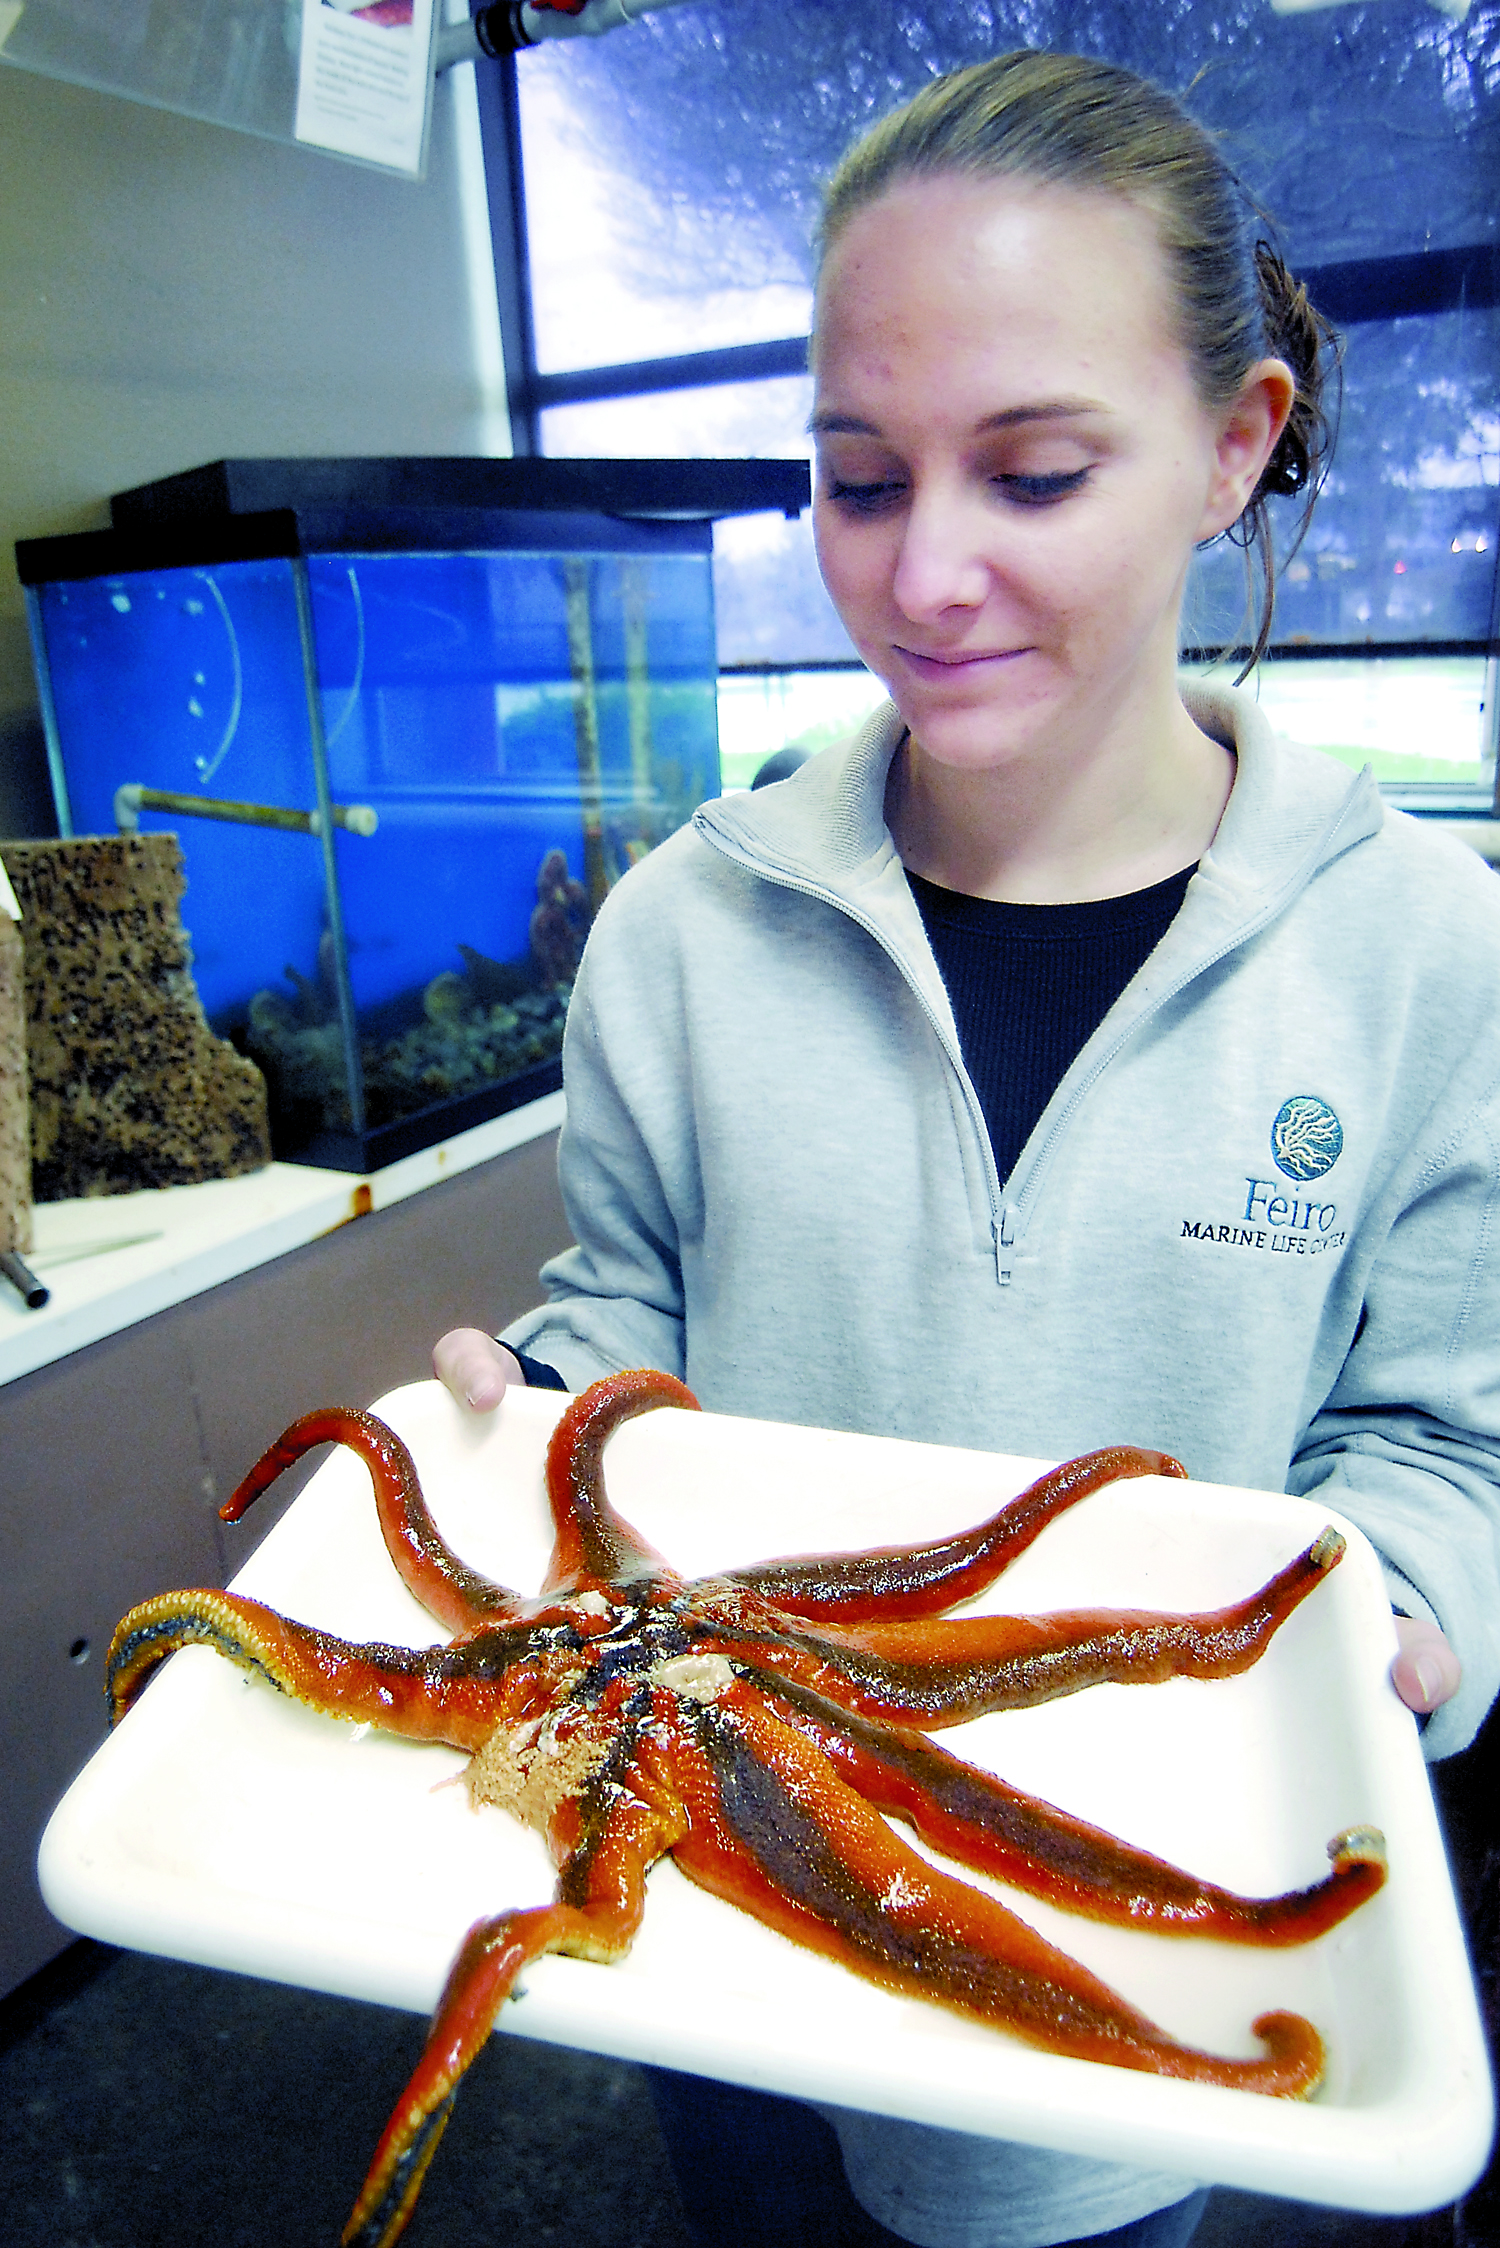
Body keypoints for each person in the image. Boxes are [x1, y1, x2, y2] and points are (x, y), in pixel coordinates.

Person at [435, 49, 1500, 2248]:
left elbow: (1449, 1448)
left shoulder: (1427, 956)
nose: (921, 578)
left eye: (1031, 473)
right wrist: (533, 1423)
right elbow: (625, 1318)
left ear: (1232, 448)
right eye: (853, 476)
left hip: (1132, 1951)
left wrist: (1391, 1607)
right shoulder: (677, 933)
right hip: (724, 1918)